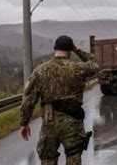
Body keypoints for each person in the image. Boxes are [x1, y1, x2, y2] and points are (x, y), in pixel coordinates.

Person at [19, 35, 99, 165]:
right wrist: (77, 50)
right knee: (73, 157)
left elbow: (28, 99)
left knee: (48, 158)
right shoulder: (78, 69)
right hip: (73, 124)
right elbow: (94, 64)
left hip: (50, 123)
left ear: (54, 48)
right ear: (70, 50)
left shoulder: (40, 71)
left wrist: (24, 123)